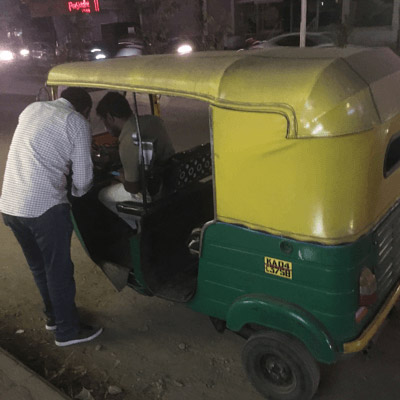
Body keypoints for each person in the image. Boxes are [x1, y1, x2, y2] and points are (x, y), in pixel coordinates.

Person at [0, 87, 103, 347]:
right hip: (45, 209)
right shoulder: (76, 122)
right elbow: (82, 180)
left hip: (10, 205)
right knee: (58, 270)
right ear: (86, 110)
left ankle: (54, 317)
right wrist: (81, 191)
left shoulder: (32, 109)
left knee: (38, 266)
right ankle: (67, 332)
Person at [95, 92, 175, 229]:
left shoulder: (128, 139)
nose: (106, 127)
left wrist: (121, 177)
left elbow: (133, 187)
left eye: (104, 121)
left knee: (103, 194)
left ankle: (137, 228)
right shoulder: (153, 121)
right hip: (169, 181)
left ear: (109, 117)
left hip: (152, 193)